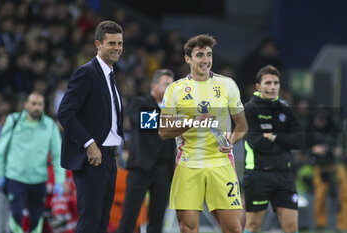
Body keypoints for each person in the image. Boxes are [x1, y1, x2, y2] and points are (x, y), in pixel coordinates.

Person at [159, 34, 248, 233]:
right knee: (188, 227)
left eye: (209, 54)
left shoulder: (227, 85)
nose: (205, 59)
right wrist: (192, 122)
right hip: (189, 164)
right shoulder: (175, 89)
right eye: (199, 55)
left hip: (221, 163)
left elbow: (242, 125)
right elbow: (163, 131)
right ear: (188, 59)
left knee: (234, 228)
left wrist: (231, 140)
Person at [57, 20, 124, 233]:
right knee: (90, 220)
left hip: (110, 156)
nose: (117, 48)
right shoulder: (87, 72)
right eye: (111, 43)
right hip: (93, 157)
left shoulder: (110, 75)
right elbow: (65, 112)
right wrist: (89, 143)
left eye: (120, 43)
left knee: (102, 220)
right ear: (98, 44)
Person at [242, 65, 303, 233]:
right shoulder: (249, 110)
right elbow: (257, 143)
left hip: (284, 175)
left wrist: (275, 137)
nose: (273, 87)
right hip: (258, 175)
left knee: (291, 227)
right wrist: (284, 142)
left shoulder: (285, 109)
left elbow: (299, 140)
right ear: (258, 87)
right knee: (253, 226)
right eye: (268, 83)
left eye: (276, 83)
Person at [0, 92, 65, 233]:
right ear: (26, 105)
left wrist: (60, 180)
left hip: (38, 179)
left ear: (44, 106)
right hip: (15, 177)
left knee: (36, 218)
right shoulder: (14, 120)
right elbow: (1, 149)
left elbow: (57, 156)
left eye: (40, 104)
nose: (36, 107)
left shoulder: (50, 126)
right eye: (33, 104)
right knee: (16, 215)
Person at [117, 69, 175, 233]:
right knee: (129, 217)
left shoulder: (174, 109)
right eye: (167, 84)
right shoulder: (138, 102)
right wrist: (175, 119)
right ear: (154, 85)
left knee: (157, 221)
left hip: (163, 169)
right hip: (140, 167)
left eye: (173, 86)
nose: (171, 89)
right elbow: (144, 121)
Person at [305, 107, 347, 232]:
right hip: (320, 165)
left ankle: (343, 225)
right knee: (320, 196)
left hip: (336, 164)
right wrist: (314, 150)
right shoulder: (310, 130)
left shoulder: (335, 128)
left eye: (324, 119)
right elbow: (303, 149)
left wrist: (339, 150)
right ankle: (320, 225)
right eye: (319, 119)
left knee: (344, 194)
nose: (322, 122)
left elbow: (343, 147)